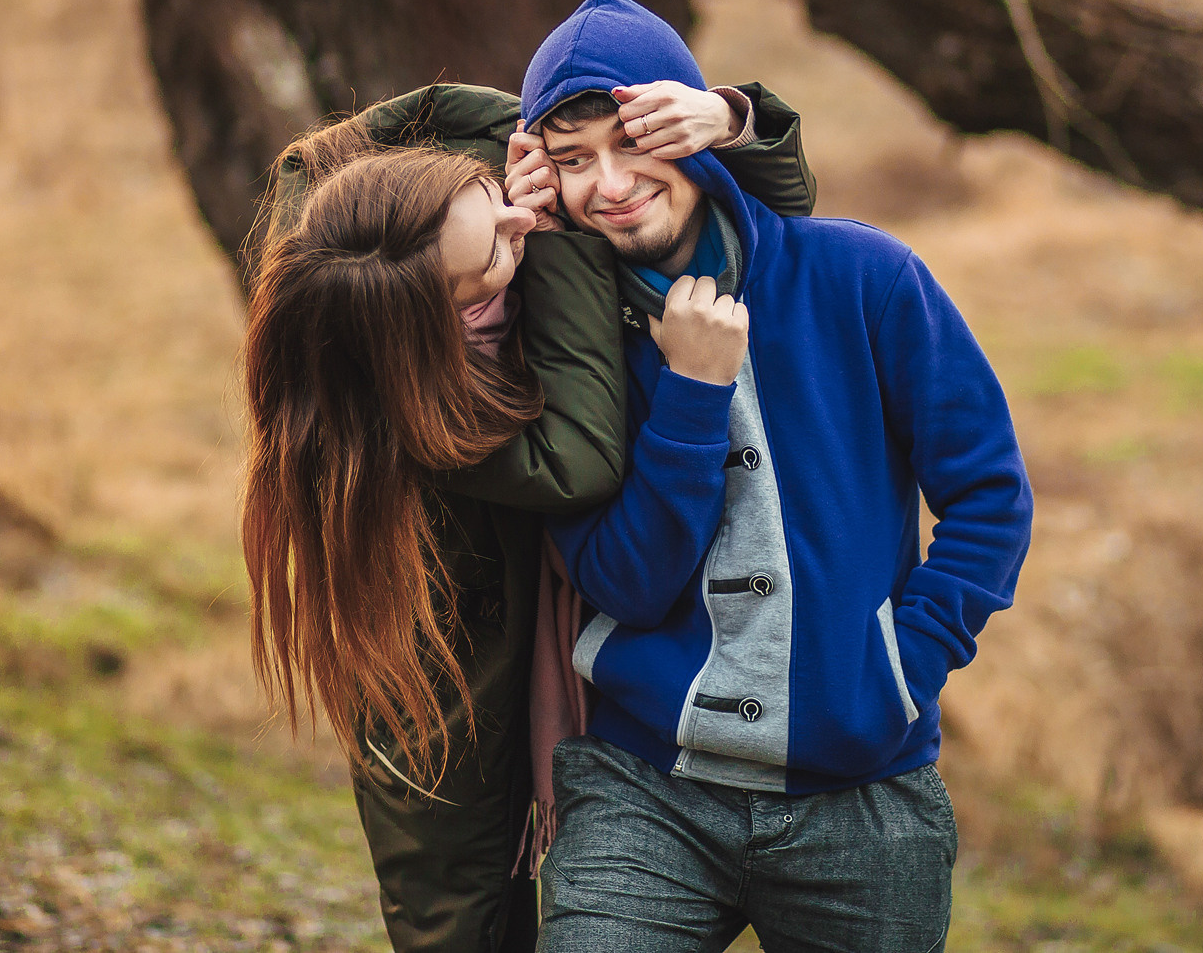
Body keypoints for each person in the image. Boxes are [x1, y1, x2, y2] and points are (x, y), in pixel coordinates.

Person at [501, 0, 1034, 951]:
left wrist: (900, 669)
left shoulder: (865, 277)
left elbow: (990, 492)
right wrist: (694, 397)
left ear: (688, 127)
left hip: (864, 796)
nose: (611, 185)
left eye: (632, 142)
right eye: (573, 162)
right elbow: (624, 579)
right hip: (642, 788)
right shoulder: (569, 347)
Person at [241, 77, 817, 953]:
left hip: (602, 645)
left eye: (496, 207)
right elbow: (578, 463)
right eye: (495, 261)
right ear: (432, 319)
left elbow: (777, 213)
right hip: (446, 681)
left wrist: (729, 119)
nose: (520, 221)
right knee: (463, 920)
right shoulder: (407, 398)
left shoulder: (403, 204)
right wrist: (556, 244)